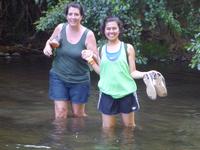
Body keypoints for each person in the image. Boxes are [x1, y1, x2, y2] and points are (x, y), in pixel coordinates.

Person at [82, 16, 157, 128]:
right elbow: (102, 73)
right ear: (104, 30)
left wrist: (146, 74)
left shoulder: (128, 48)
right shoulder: (100, 50)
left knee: (129, 128)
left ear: (119, 29)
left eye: (114, 28)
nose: (111, 31)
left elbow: (133, 72)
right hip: (107, 93)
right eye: (108, 29)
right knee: (107, 130)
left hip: (126, 93)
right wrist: (91, 61)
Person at [43, 2, 98, 120]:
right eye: (70, 14)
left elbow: (97, 59)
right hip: (58, 76)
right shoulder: (60, 28)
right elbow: (50, 41)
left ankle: (77, 137)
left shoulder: (88, 34)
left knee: (78, 115)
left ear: (81, 16)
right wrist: (47, 46)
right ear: (66, 15)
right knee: (60, 113)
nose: (73, 17)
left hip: (80, 79)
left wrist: (91, 55)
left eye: (76, 14)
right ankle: (60, 138)